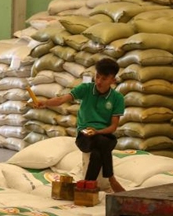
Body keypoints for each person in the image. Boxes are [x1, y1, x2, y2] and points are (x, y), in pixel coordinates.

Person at [34, 58, 126, 193]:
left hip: (103, 136)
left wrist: (98, 132)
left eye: (104, 79)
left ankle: (87, 186)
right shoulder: (86, 89)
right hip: (84, 137)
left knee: (97, 152)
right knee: (102, 143)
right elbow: (61, 100)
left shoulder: (117, 98)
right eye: (97, 76)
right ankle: (111, 179)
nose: (99, 81)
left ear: (113, 80)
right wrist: (45, 103)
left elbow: (113, 127)